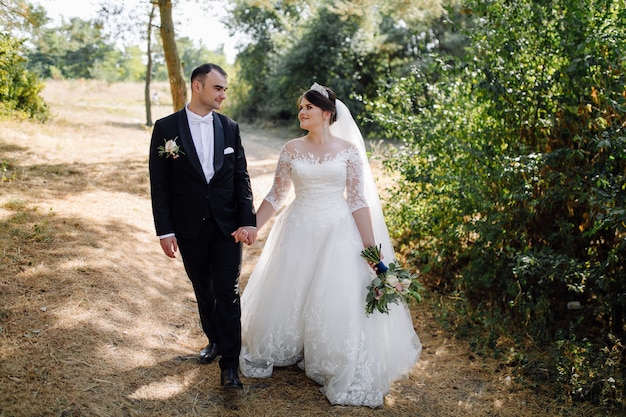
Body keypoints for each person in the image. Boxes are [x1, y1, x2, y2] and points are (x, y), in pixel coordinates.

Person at [234, 83, 421, 407]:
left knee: (331, 295)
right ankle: (290, 345)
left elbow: (358, 201)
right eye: (300, 107)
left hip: (337, 231)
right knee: (292, 289)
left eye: (308, 107)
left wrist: (371, 254)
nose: (301, 112)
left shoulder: (348, 150)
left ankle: (328, 354)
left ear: (327, 113)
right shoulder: (291, 148)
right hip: (298, 228)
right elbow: (276, 195)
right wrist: (252, 226)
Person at [149, 63, 257, 389]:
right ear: (198, 86)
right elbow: (160, 185)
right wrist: (165, 230)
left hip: (227, 228)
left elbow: (241, 178)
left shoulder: (230, 128)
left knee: (228, 292)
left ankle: (230, 367)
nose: (223, 94)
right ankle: (214, 339)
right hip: (188, 228)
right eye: (218, 88)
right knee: (204, 290)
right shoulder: (166, 128)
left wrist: (247, 222)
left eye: (224, 89)